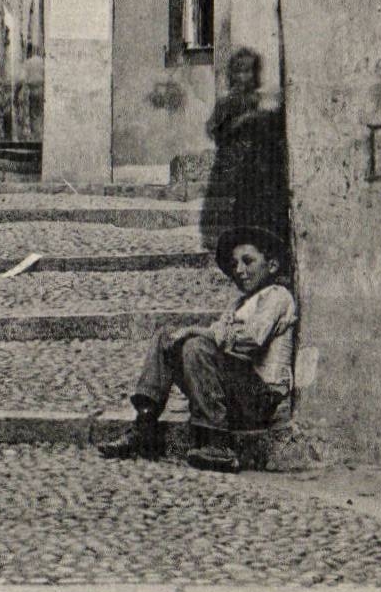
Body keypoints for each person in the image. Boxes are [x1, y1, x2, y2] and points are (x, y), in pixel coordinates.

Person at [99, 224, 296, 472]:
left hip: (261, 398)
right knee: (166, 337)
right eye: (235, 264)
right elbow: (219, 333)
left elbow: (250, 339)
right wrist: (188, 337)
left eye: (248, 261)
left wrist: (196, 333)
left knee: (196, 345)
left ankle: (217, 443)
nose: (240, 270)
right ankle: (145, 425)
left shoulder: (277, 296)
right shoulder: (240, 303)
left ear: (272, 266)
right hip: (236, 394)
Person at [200, 46, 288, 249]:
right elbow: (213, 129)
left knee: (251, 203)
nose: (244, 77)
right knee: (228, 203)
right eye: (239, 71)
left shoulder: (259, 100)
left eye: (248, 71)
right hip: (231, 163)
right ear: (232, 74)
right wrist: (240, 123)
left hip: (254, 162)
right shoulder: (227, 102)